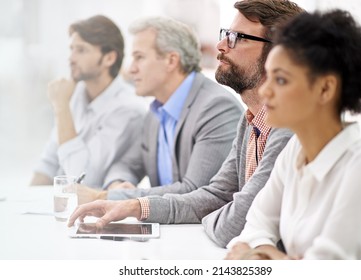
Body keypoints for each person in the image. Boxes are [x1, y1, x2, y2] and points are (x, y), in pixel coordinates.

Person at [69, 0, 303, 248]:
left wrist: (210, 217)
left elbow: (232, 223)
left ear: (279, 54)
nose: (221, 45)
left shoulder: (287, 123)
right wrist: (133, 206)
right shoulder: (250, 121)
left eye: (238, 38)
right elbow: (215, 195)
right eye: (226, 35)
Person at [226, 9, 361, 260]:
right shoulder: (295, 152)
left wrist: (263, 256)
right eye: (268, 76)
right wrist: (276, 257)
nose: (266, 90)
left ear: (325, 88)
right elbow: (252, 230)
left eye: (280, 80)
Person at [79, 16, 243, 196]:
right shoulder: (156, 113)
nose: (131, 69)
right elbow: (126, 164)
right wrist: (118, 183)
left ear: (171, 61)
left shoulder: (216, 108)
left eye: (139, 57)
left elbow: (195, 193)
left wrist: (110, 197)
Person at [30, 15, 147, 188]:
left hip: (89, 210)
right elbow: (48, 164)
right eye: (71, 49)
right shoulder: (76, 94)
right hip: (59, 203)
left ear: (109, 58)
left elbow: (81, 177)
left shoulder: (129, 109)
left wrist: (61, 106)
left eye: (81, 50)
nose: (71, 58)